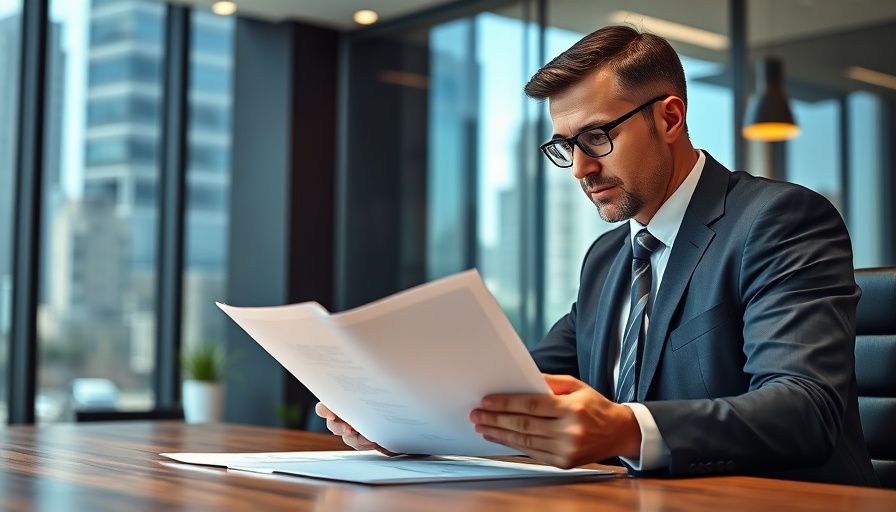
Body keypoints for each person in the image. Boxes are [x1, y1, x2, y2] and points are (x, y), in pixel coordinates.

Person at [316, 25, 878, 487]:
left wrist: (625, 430)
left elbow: (805, 410)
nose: (581, 168)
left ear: (670, 118)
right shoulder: (609, 257)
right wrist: (403, 415)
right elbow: (524, 383)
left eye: (596, 137)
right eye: (566, 146)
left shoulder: (778, 221)